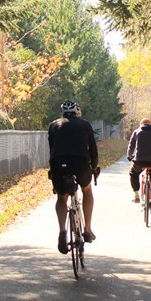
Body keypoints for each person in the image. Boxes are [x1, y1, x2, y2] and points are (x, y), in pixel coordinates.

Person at [48, 100, 99, 254]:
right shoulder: (85, 125)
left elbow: (52, 149)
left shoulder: (54, 125)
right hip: (80, 163)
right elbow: (93, 150)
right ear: (78, 112)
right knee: (87, 190)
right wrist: (94, 167)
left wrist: (53, 168)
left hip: (58, 164)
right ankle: (88, 229)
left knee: (61, 198)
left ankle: (63, 231)